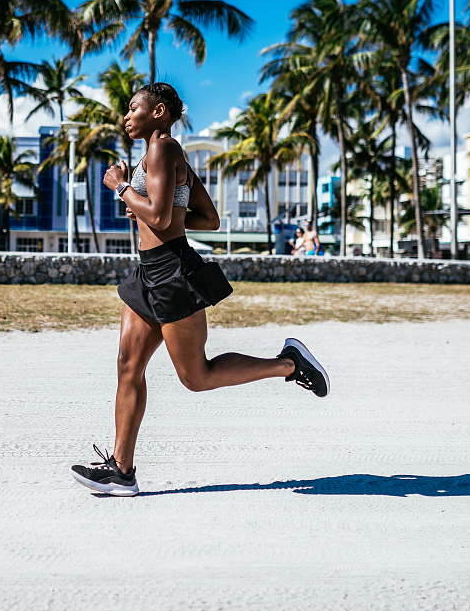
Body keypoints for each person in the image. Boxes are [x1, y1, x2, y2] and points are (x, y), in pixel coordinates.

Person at [70, 83, 329, 497]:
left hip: (172, 272)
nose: (126, 116)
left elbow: (155, 214)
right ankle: (121, 469)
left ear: (158, 111)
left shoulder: (163, 150)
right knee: (127, 365)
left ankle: (288, 364)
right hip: (147, 271)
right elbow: (209, 219)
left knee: (196, 376)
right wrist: (162, 211)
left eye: (133, 108)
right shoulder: (171, 157)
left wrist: (121, 187)